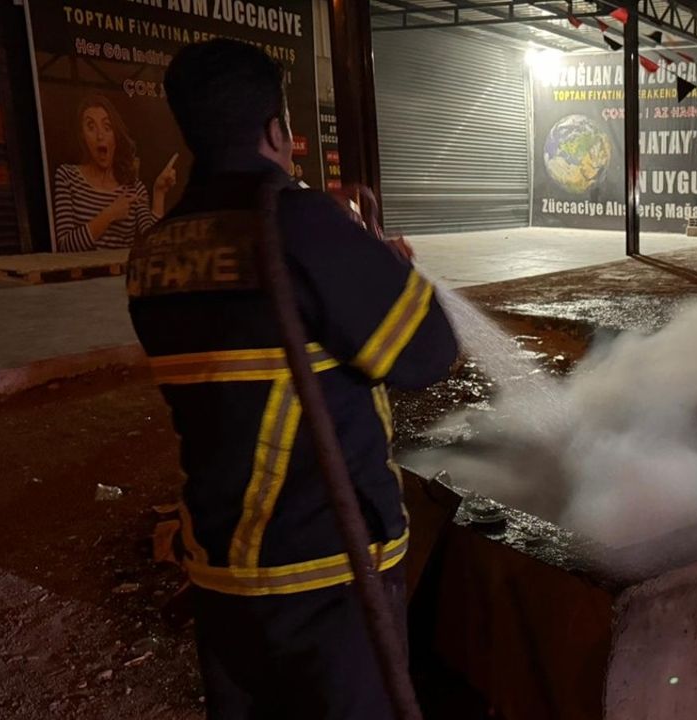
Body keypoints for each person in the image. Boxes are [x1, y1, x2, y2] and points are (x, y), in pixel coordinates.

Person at [126, 39, 458, 719]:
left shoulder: (153, 251)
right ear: (276, 132)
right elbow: (427, 354)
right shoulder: (301, 226)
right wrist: (381, 265)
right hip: (330, 577)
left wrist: (343, 252)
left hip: (221, 573)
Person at [53, 94, 177, 251]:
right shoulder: (67, 177)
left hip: (120, 275)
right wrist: (109, 215)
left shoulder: (134, 188)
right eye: (91, 127)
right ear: (82, 137)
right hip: (81, 275)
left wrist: (159, 193)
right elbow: (65, 246)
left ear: (116, 136)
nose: (100, 136)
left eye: (107, 127)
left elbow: (152, 243)